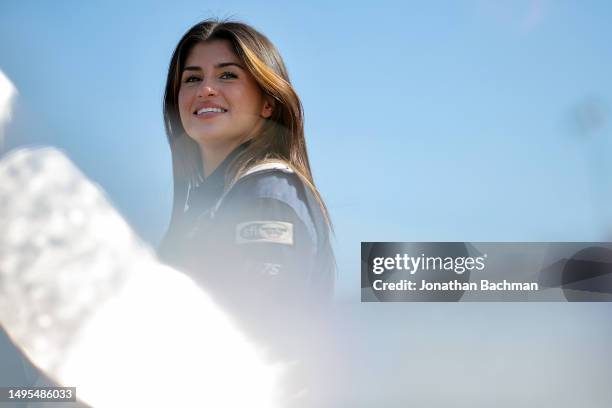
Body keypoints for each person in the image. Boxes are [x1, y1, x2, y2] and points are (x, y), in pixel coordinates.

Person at [157, 19, 335, 368]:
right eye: (192, 78)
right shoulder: (214, 203)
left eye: (227, 75)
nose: (206, 89)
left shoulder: (266, 195)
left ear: (268, 102)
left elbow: (253, 334)